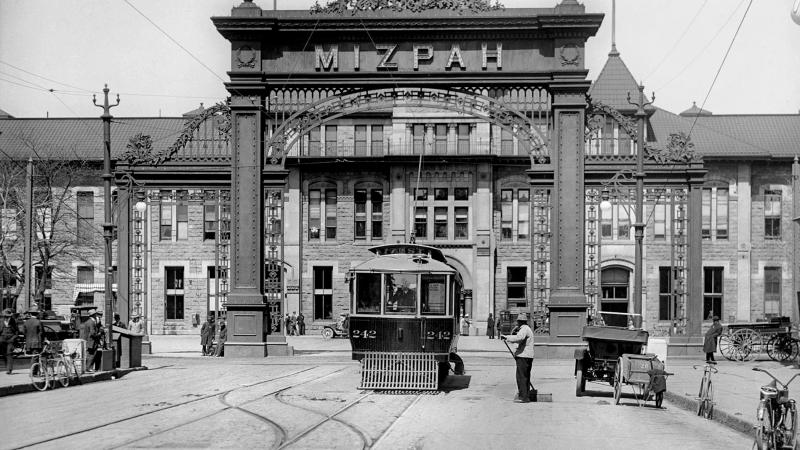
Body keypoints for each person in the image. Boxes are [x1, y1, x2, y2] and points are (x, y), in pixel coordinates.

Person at [501, 312, 535, 403]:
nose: (517, 323)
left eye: (518, 321)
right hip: (527, 356)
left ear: (521, 321)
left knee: (521, 377)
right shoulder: (526, 328)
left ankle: (523, 397)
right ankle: (526, 395)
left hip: (523, 356)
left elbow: (519, 338)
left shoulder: (524, 329)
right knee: (525, 376)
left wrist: (507, 337)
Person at [0, 308, 17, 374]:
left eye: (8, 316)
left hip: (10, 340)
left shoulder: (13, 321)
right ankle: (6, 367)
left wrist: (13, 339)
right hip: (2, 340)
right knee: (4, 354)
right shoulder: (1, 321)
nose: (6, 318)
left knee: (9, 354)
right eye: (5, 316)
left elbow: (16, 332)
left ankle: (9, 370)